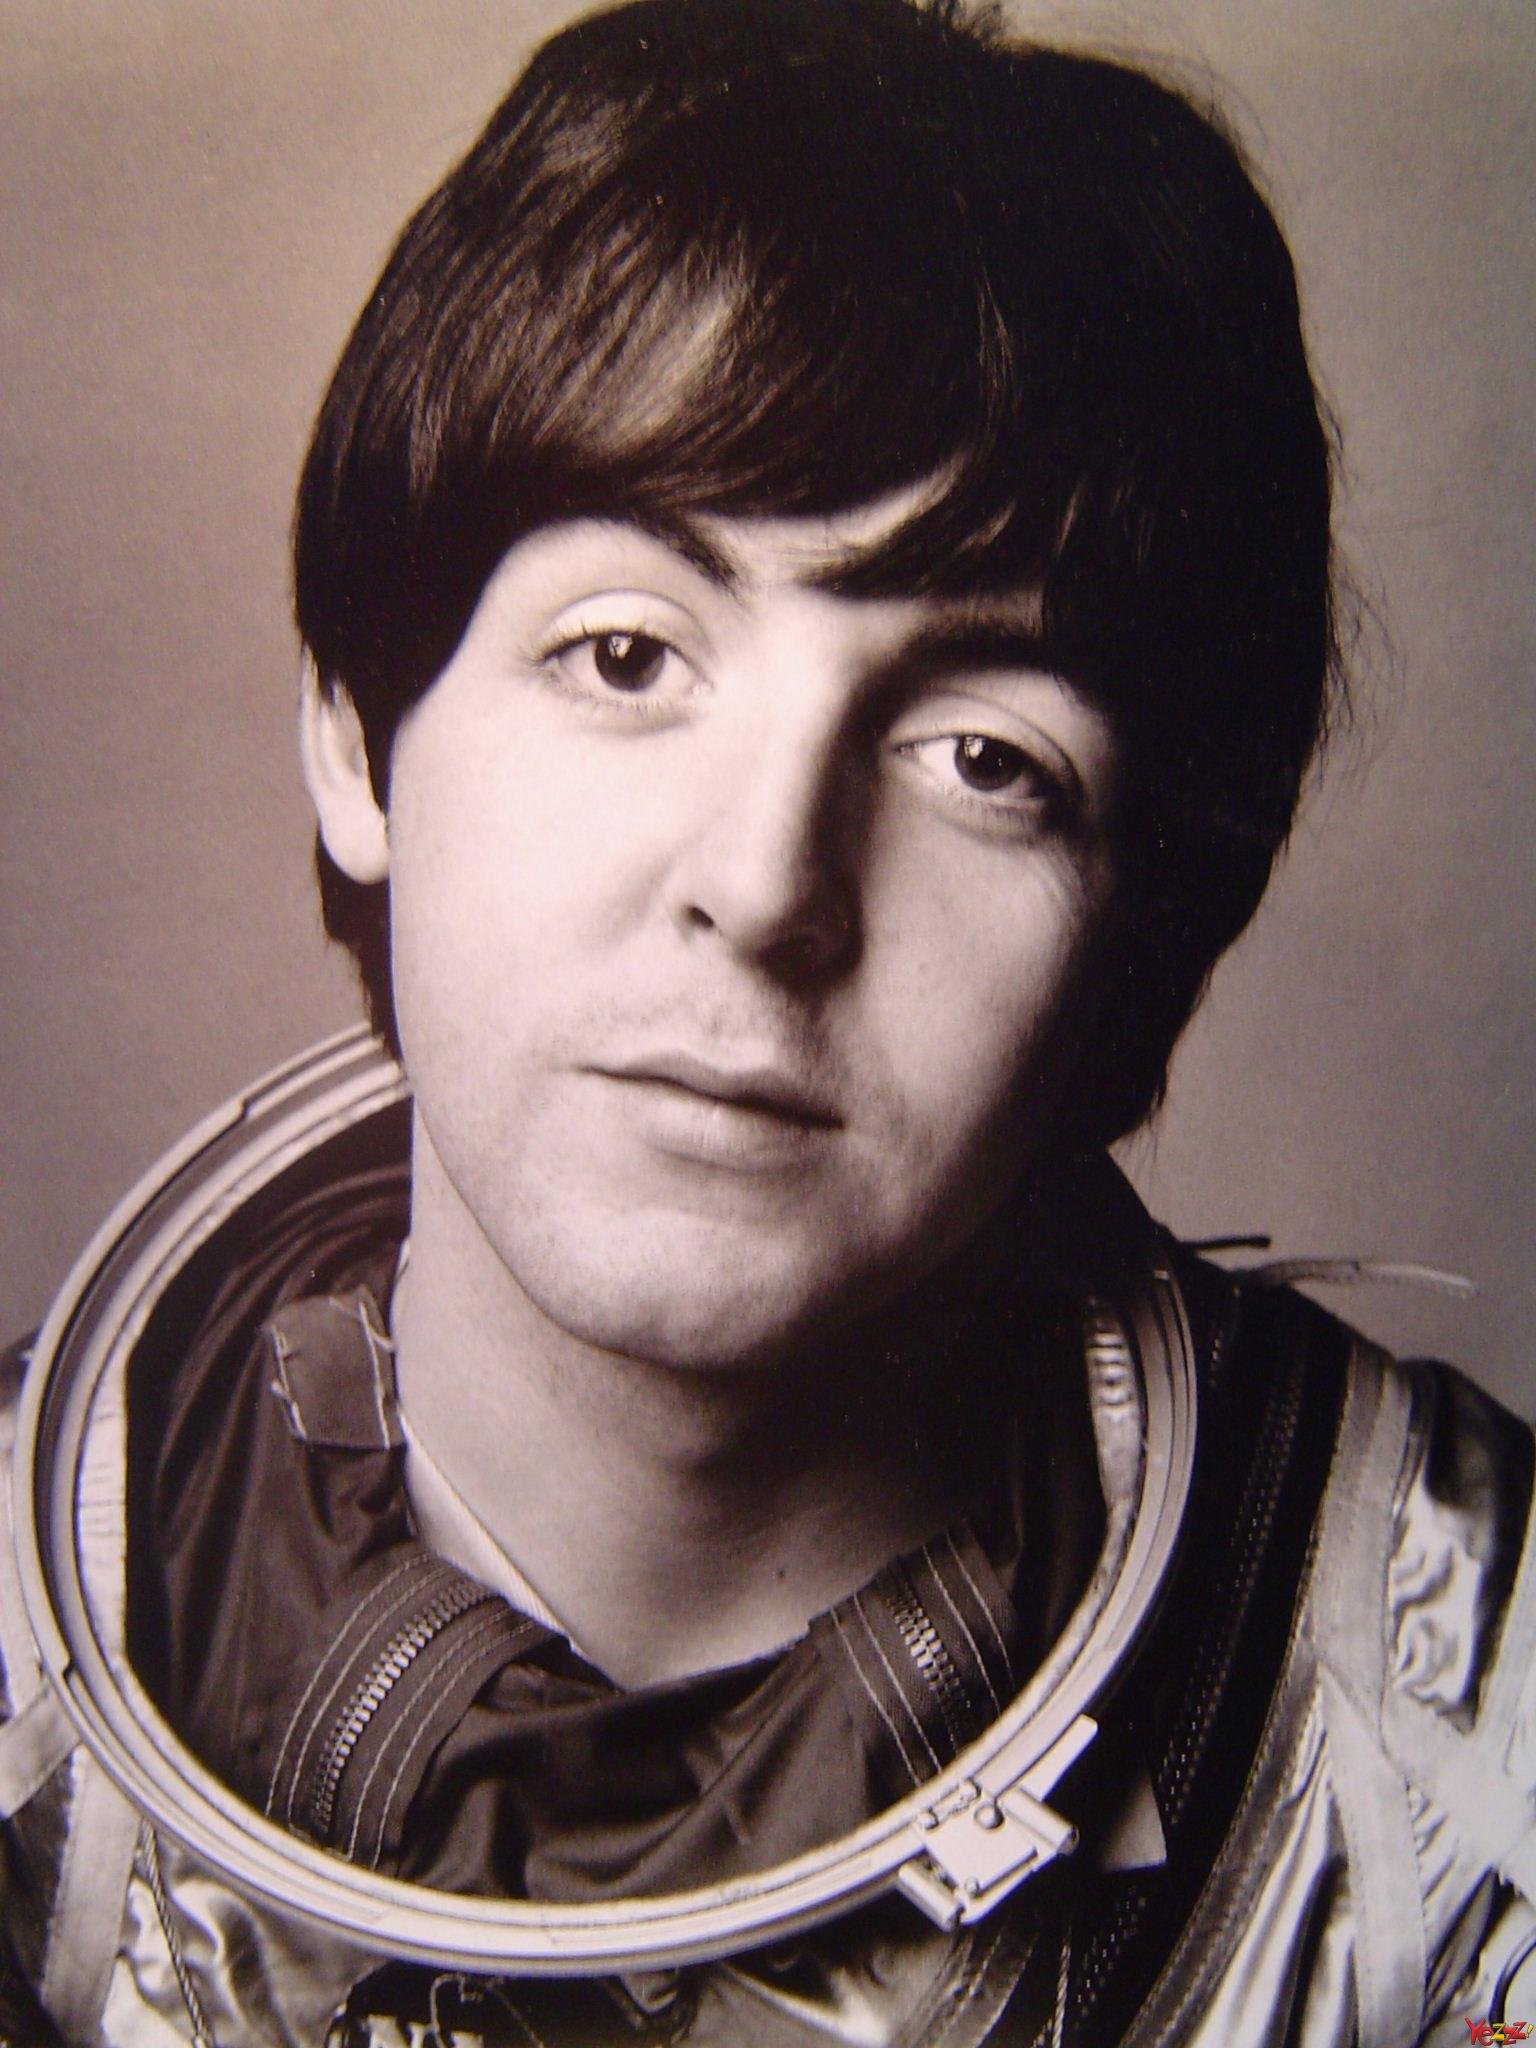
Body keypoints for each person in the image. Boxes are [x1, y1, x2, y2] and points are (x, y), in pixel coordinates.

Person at [2, 0, 1533, 2042]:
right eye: (626, 654)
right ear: (359, 737)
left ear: (1138, 921)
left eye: (986, 757)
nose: (768, 882)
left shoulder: (1465, 1716)